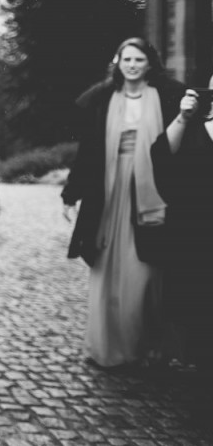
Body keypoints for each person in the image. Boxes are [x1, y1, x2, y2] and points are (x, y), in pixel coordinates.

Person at [62, 37, 185, 368]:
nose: (132, 65)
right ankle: (109, 346)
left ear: (149, 64)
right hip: (110, 193)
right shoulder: (102, 99)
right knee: (107, 271)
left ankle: (146, 344)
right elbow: (88, 152)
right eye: (126, 59)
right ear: (117, 62)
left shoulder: (168, 96)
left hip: (152, 191)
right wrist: (71, 193)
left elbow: (182, 144)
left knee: (147, 274)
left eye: (139, 60)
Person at [151, 78, 213, 377]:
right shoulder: (193, 124)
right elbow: (161, 155)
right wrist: (183, 116)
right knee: (196, 293)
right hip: (196, 225)